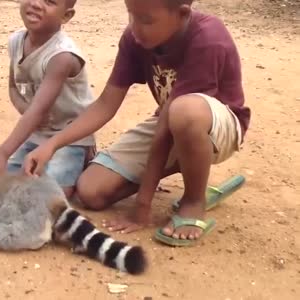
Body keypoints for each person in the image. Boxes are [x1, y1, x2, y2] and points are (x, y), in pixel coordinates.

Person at [23, 0, 251, 246]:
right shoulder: (134, 38)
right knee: (91, 192)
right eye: (131, 15)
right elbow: (105, 105)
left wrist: (143, 203)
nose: (135, 27)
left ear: (182, 14)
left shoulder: (207, 37)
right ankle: (187, 163)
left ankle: (193, 201)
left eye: (146, 20)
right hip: (168, 121)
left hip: (217, 128)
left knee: (184, 112)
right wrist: (53, 144)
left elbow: (167, 127)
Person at [0, 0, 96, 198]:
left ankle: (83, 161)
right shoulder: (16, 41)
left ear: (66, 16)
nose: (35, 4)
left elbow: (39, 111)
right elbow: (13, 87)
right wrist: (26, 110)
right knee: (0, 183)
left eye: (49, 1)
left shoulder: (62, 56)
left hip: (68, 137)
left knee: (52, 193)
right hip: (36, 135)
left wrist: (2, 153)